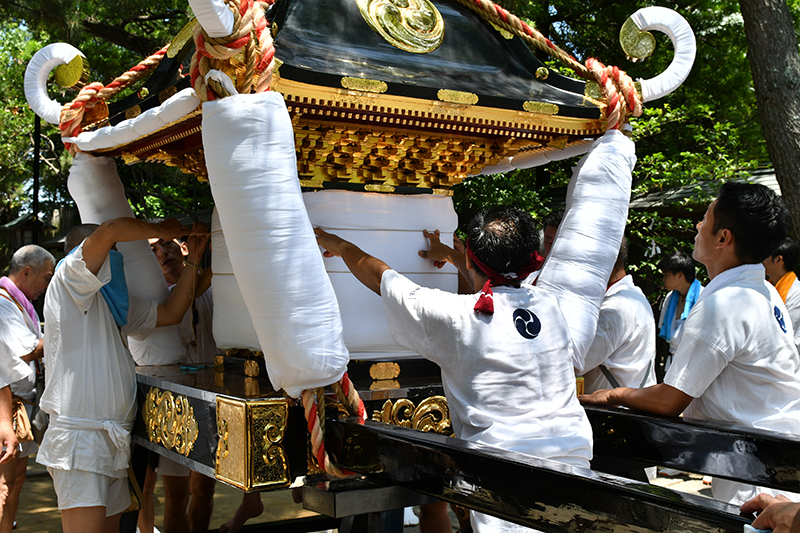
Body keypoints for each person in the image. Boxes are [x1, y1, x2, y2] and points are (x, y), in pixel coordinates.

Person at [581, 182, 800, 506]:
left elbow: (668, 401)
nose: (697, 226)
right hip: (776, 459)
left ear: (723, 238)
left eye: (705, 219)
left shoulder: (724, 304)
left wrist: (613, 394)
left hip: (759, 478)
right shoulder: (764, 291)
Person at [37, 217, 209, 533]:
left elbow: (171, 313)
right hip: (81, 441)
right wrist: (167, 230)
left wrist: (195, 258)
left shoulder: (112, 303)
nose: (114, 258)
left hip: (112, 440)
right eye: (110, 251)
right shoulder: (69, 279)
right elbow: (110, 229)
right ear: (82, 252)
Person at [138, 233, 218, 533]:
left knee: (204, 490)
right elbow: (187, 295)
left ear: (184, 247)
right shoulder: (155, 300)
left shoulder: (214, 287)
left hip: (213, 398)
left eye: (166, 244)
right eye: (152, 250)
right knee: (175, 493)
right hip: (174, 404)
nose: (161, 252)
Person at [0, 244, 54, 532]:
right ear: (27, 271)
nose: (47, 286)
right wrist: (67, 331)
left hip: (20, 405)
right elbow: (28, 351)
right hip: (7, 407)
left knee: (15, 480)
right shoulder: (3, 304)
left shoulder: (18, 303)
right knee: (4, 485)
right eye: (46, 277)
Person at [579, 237, 656, 394]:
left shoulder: (613, 309)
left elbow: (576, 363)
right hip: (633, 400)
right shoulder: (635, 295)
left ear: (607, 259)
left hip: (612, 406)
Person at [656, 251, 702, 372]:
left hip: (694, 364)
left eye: (667, 275)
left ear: (680, 275)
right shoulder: (669, 298)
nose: (663, 279)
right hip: (672, 363)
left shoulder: (703, 297)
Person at [763, 239, 800, 352]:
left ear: (778, 260)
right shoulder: (767, 287)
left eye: (766, 255)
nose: (761, 259)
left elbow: (795, 339)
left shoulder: (796, 294)